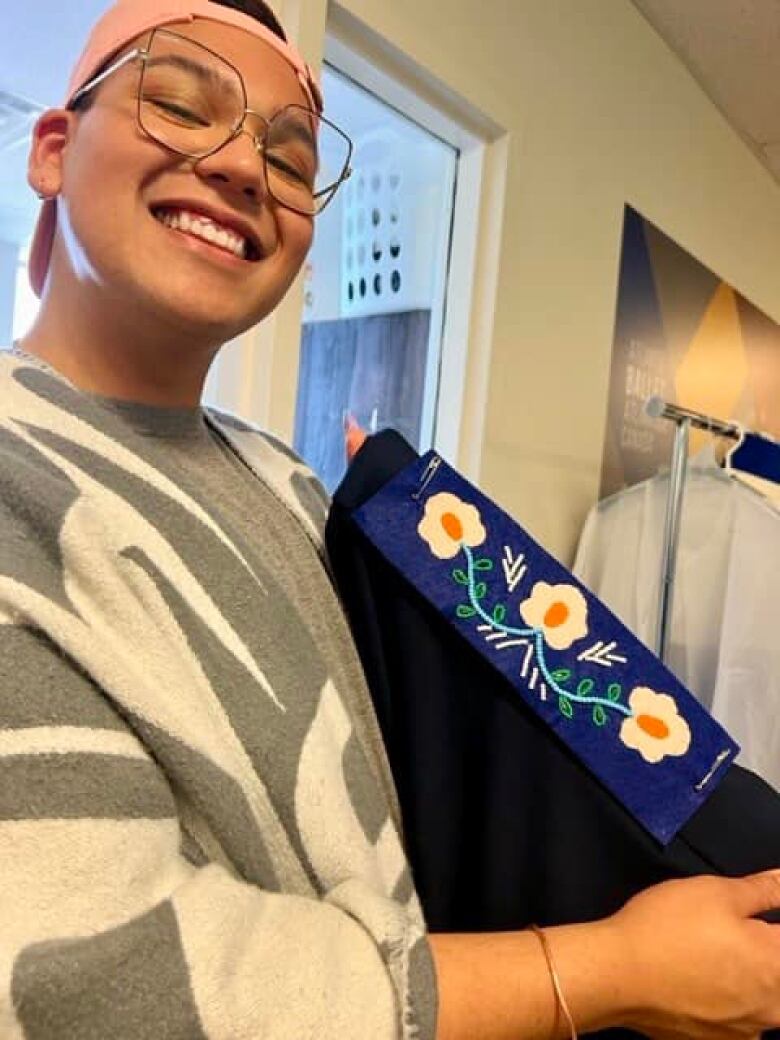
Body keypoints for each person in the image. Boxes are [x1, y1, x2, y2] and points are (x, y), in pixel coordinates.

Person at [1, 1, 779, 1037]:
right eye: (179, 104)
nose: (244, 169)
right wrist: (607, 968)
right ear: (53, 149)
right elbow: (111, 980)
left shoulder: (282, 480)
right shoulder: (20, 480)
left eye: (289, 154)